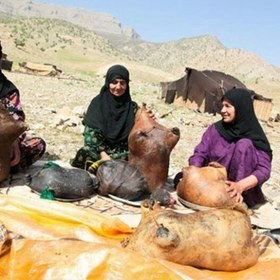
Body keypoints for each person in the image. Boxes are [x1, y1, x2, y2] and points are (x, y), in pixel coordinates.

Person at [175, 88, 272, 208]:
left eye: (227, 106)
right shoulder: (215, 129)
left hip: (239, 189)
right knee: (180, 178)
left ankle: (236, 200)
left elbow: (264, 170)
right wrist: (193, 174)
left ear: (241, 108)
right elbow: (200, 153)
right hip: (212, 182)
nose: (222, 110)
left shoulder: (254, 136)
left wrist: (240, 185)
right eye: (222, 106)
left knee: (244, 144)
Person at [70, 64, 140, 173]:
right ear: (108, 83)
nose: (118, 87)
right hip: (99, 153)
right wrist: (103, 156)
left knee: (136, 157)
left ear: (127, 85)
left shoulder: (133, 108)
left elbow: (143, 131)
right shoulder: (97, 104)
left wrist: (148, 116)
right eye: (114, 82)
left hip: (122, 154)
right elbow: (90, 137)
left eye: (122, 83)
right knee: (85, 152)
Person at [0, 41, 46, 172]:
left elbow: (16, 121)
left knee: (37, 145)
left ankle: (8, 167)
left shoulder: (8, 90)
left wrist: (13, 140)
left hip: (3, 145)